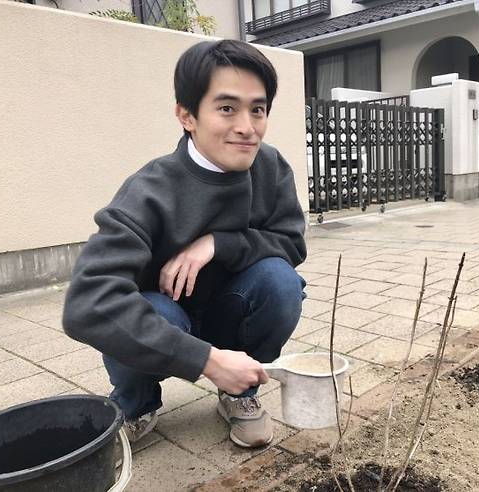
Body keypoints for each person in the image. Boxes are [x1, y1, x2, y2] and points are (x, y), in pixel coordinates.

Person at [62, 39, 307, 449]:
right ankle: (135, 404)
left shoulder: (271, 168)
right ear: (187, 115)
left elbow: (291, 242)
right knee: (147, 309)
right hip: (167, 319)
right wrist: (206, 361)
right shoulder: (150, 190)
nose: (247, 127)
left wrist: (217, 243)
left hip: (231, 309)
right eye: (227, 108)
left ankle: (238, 393)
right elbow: (86, 303)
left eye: (258, 109)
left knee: (279, 282)